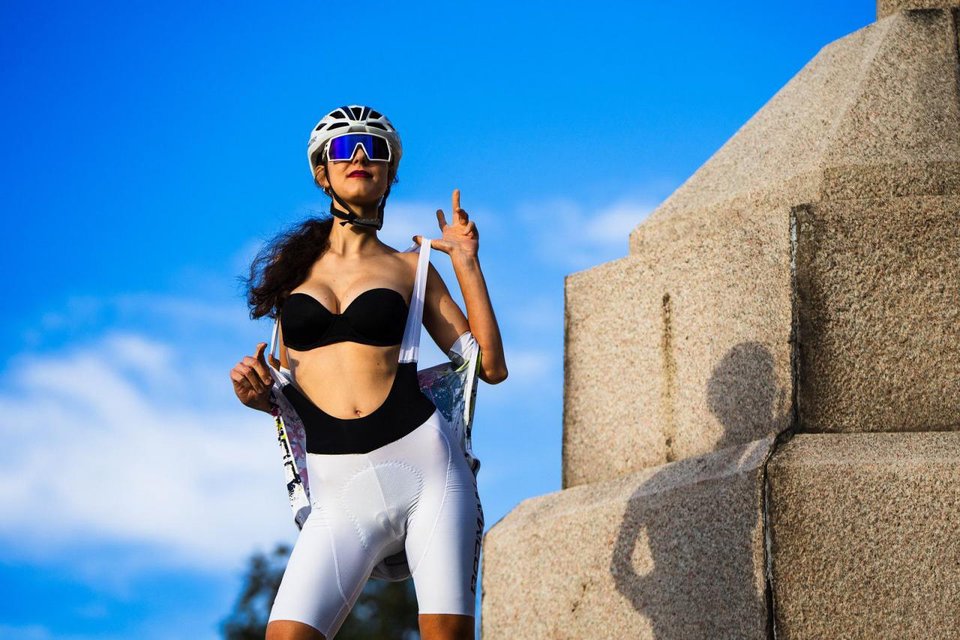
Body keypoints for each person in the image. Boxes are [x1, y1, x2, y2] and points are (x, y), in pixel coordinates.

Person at [230, 105, 508, 640]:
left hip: (429, 473)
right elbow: (285, 391)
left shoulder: (412, 267)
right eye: (343, 148)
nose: (359, 155)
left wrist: (466, 262)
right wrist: (254, 392)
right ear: (322, 173)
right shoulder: (288, 277)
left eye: (374, 149)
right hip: (338, 492)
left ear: (389, 174)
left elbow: (489, 367)